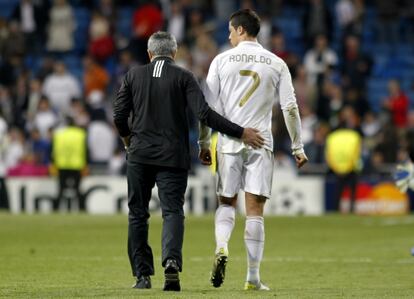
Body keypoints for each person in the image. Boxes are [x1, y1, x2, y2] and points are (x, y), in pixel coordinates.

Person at [113, 31, 264, 292]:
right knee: (172, 211)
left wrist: (128, 140)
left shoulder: (133, 76)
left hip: (139, 155)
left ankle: (142, 276)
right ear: (174, 53)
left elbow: (118, 114)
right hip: (173, 156)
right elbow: (204, 114)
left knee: (138, 214)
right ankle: (171, 262)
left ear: (150, 53)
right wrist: (241, 132)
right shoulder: (184, 76)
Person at [198, 9, 308, 291]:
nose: (229, 35)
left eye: (231, 30)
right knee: (255, 209)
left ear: (241, 30)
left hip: (229, 143)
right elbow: (290, 107)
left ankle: (222, 246)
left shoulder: (221, 60)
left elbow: (206, 109)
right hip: (261, 143)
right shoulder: (277, 63)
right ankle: (253, 278)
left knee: (226, 202)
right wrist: (297, 146)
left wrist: (203, 142)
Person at [52, 117, 88, 211]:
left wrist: (53, 162)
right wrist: (86, 163)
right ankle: (82, 209)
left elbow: (53, 150)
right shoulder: (80, 134)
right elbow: (86, 150)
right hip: (77, 165)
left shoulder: (59, 134)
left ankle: (55, 209)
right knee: (77, 189)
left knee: (61, 189)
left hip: (62, 164)